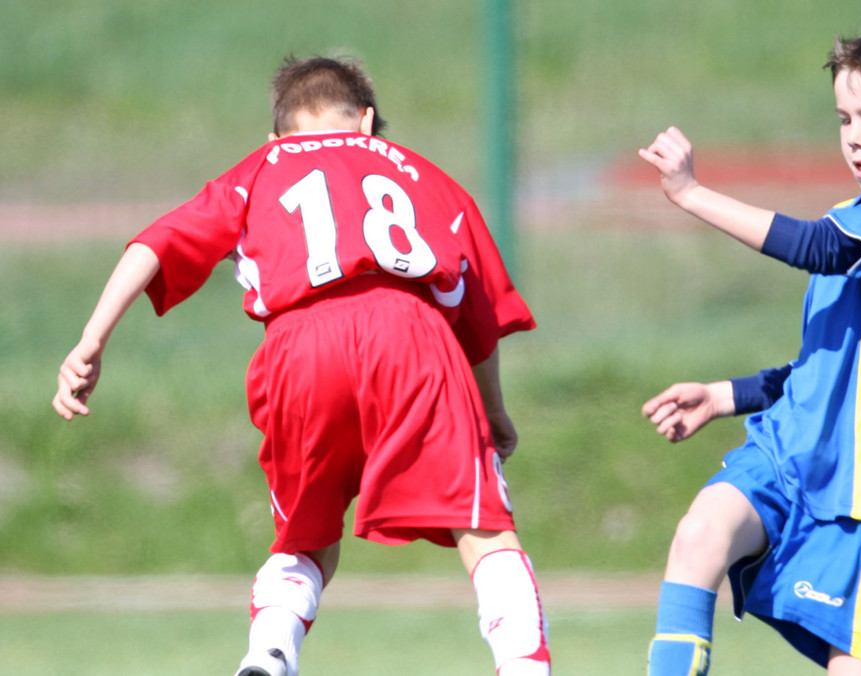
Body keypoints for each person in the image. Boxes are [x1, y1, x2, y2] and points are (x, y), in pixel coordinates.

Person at [52, 55, 550, 676]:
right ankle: (525, 666)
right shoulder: (429, 177)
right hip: (411, 333)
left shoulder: (262, 167)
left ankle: (269, 653)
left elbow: (156, 242)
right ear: (367, 121)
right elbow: (476, 317)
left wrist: (91, 337)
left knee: (306, 537)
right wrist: (494, 412)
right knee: (482, 527)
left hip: (297, 343)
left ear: (277, 136)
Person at [637, 20, 861, 676]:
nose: (854, 136)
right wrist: (721, 395)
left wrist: (690, 193)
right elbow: (826, 367)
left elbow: (818, 247)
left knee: (854, 664)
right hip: (790, 454)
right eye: (845, 117)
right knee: (700, 536)